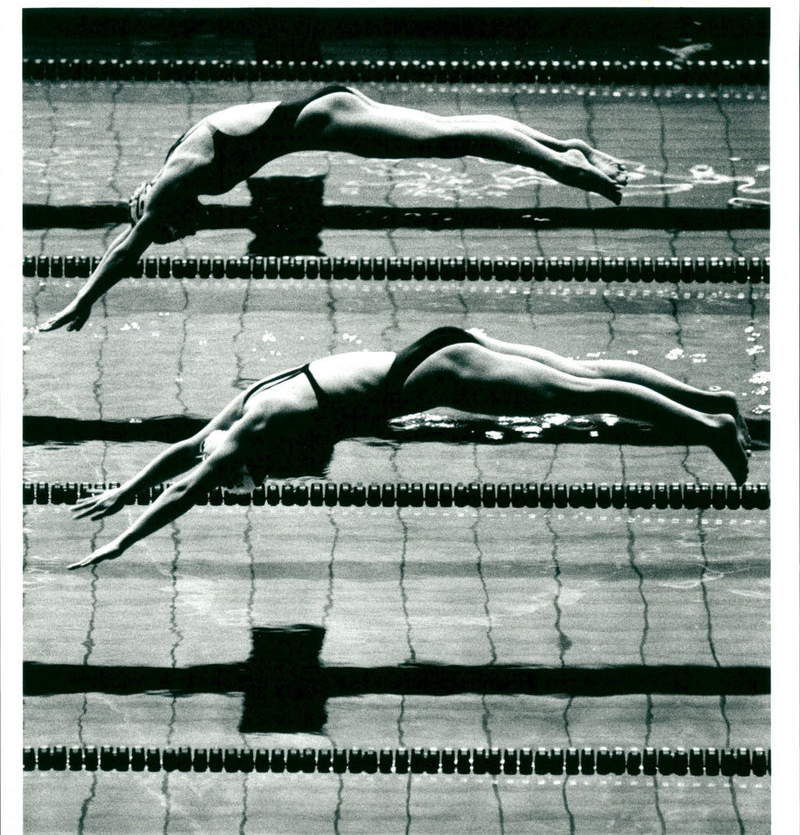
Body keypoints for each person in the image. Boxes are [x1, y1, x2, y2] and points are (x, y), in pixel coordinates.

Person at [68, 326, 751, 569]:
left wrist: (124, 540)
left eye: (254, 478)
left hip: (441, 373)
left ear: (242, 461)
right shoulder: (244, 404)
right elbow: (182, 448)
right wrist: (124, 489)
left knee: (583, 395)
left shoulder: (245, 438)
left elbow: (189, 482)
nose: (273, 477)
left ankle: (711, 428)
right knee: (587, 376)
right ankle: (712, 403)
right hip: (436, 348)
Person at [38, 85, 628, 332]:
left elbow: (126, 250)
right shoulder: (175, 178)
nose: (146, 217)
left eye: (153, 220)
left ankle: (562, 166)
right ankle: (565, 148)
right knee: (453, 133)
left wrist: (81, 302)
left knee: (453, 139)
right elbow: (136, 240)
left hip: (325, 118)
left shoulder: (176, 180)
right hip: (325, 110)